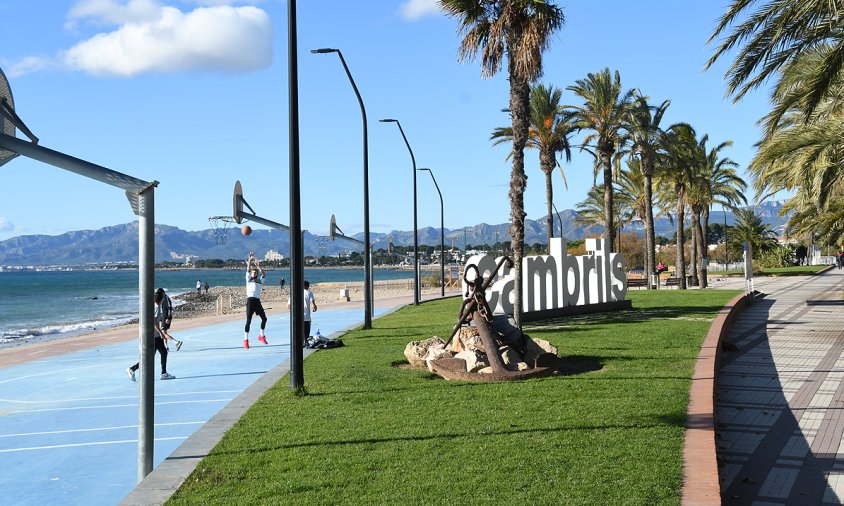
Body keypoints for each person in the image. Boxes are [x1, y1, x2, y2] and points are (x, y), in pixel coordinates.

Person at [127, 289, 175, 381]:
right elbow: (154, 322)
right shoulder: (156, 307)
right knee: (150, 357)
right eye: (164, 296)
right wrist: (161, 333)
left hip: (153, 335)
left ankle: (164, 373)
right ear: (161, 298)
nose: (165, 297)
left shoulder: (155, 305)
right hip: (154, 335)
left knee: (162, 352)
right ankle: (132, 369)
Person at [243, 252, 268, 349]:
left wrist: (258, 266)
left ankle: (261, 336)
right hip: (250, 301)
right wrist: (249, 261)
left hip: (257, 301)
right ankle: (246, 340)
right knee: (248, 321)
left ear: (257, 274)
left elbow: (264, 274)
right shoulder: (248, 279)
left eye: (255, 272)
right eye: (252, 272)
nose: (254, 273)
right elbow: (248, 269)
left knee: (264, 319)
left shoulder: (260, 281)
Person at [288, 280, 317, 347]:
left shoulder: (294, 293)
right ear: (307, 286)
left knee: (299, 331)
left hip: (297, 316)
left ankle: (300, 344)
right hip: (306, 315)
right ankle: (306, 343)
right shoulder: (309, 293)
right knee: (306, 332)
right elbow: (313, 304)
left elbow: (288, 306)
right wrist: (314, 308)